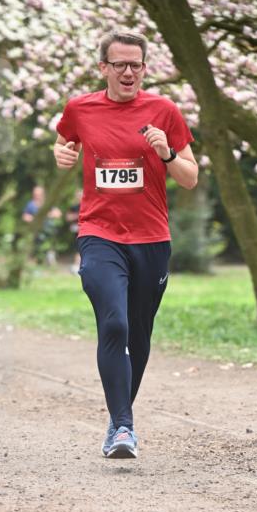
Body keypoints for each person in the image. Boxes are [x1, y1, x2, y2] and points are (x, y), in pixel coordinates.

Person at [53, 29, 198, 458]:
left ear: (145, 68)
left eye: (136, 65)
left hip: (151, 239)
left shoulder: (163, 111)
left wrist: (168, 153)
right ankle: (123, 427)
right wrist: (61, 154)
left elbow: (190, 178)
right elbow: (63, 143)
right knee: (114, 323)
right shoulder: (80, 109)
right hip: (99, 235)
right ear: (104, 68)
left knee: (139, 333)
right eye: (120, 65)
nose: (129, 72)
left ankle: (119, 418)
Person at [21, 185, 62, 266]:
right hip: (36, 232)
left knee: (49, 248)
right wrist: (34, 220)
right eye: (35, 194)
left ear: (43, 194)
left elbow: (58, 213)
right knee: (36, 249)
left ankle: (50, 263)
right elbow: (25, 216)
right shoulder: (30, 205)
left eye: (38, 194)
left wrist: (47, 215)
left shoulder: (47, 204)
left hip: (48, 231)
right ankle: (37, 264)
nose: (36, 196)